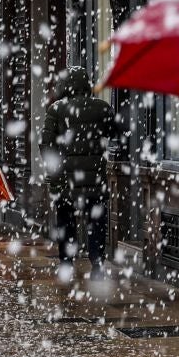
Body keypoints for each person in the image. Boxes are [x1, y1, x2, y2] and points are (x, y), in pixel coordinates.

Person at [40, 68, 116, 265]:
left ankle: (67, 260)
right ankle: (97, 263)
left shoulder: (56, 110)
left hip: (66, 181)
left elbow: (46, 145)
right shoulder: (101, 108)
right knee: (96, 222)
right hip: (94, 180)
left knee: (66, 221)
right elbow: (113, 133)